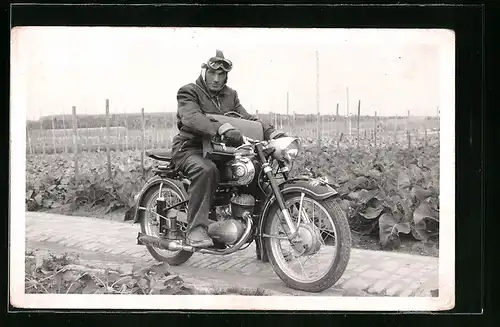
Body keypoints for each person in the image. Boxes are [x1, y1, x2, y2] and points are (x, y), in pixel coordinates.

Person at [171, 50, 285, 247]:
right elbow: (191, 118)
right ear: (204, 71)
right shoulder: (189, 91)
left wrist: (271, 133)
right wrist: (220, 128)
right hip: (190, 148)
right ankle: (196, 230)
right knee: (206, 170)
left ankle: (265, 241)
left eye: (221, 75)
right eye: (213, 73)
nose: (216, 79)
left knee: (254, 174)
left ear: (226, 76)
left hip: (220, 152)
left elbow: (246, 118)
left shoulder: (230, 95)